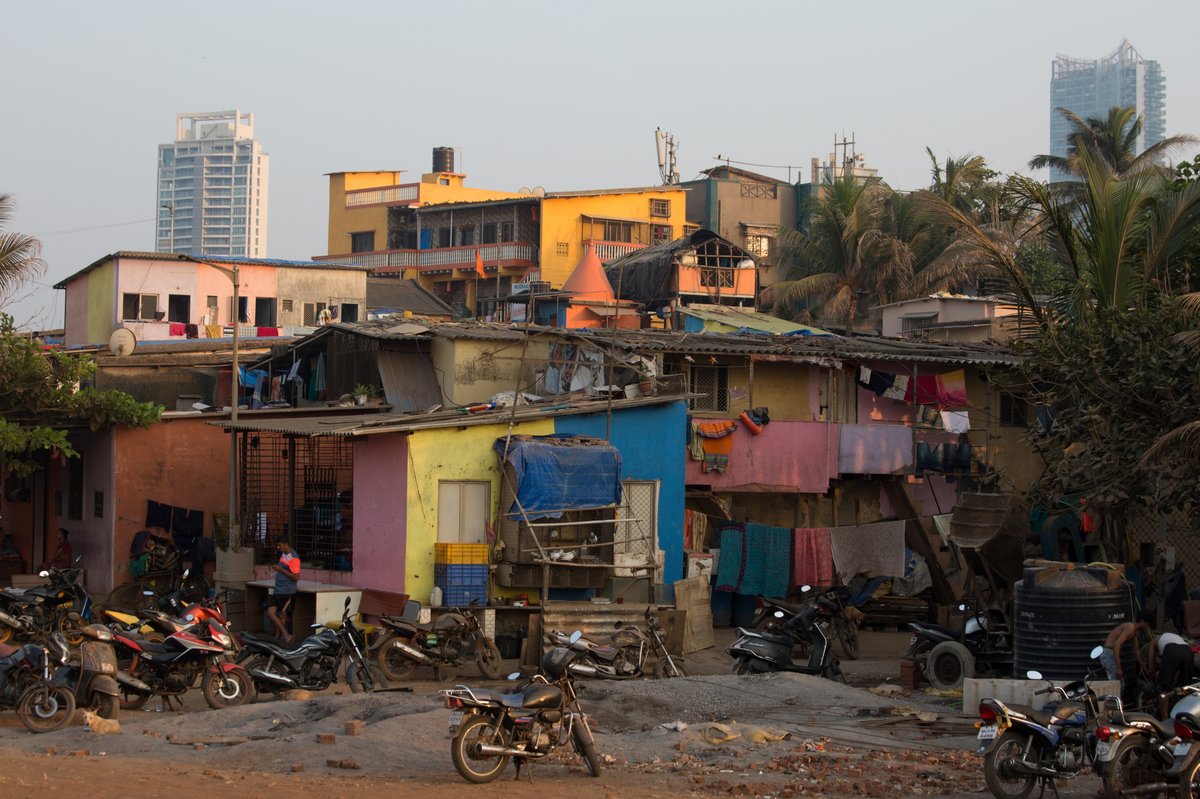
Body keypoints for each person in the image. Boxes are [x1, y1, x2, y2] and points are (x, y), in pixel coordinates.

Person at [1101, 609, 1153, 702]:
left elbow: (1136, 651)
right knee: (1117, 683)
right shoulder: (1130, 627)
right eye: (1147, 624)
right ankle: (1115, 708)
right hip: (1108, 653)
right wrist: (1118, 667)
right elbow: (1117, 645)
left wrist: (1144, 668)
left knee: (1121, 683)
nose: (1147, 627)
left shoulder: (1135, 632)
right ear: (1142, 621)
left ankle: (1118, 705)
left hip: (1110, 653)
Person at [1150, 629, 1195, 715]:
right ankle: (1186, 716)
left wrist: (1156, 683)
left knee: (1164, 691)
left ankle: (1165, 721)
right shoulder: (1174, 637)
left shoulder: (1153, 642)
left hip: (1171, 650)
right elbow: (1176, 669)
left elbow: (1151, 667)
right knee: (1186, 688)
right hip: (1188, 651)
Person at [267, 537, 301, 642]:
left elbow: (296, 577)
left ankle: (282, 637)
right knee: (271, 613)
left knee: (282, 615)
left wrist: (280, 569)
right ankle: (283, 636)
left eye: (279, 545)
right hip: (278, 590)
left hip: (287, 591)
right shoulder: (284, 555)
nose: (278, 548)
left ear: (286, 544)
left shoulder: (294, 558)